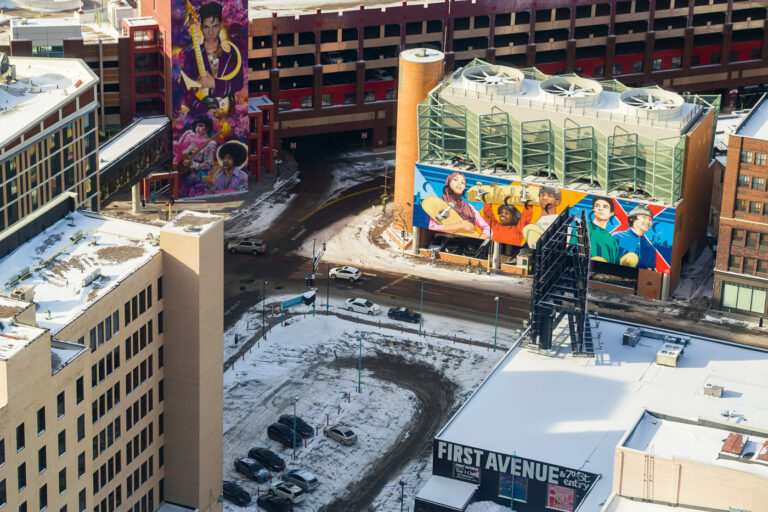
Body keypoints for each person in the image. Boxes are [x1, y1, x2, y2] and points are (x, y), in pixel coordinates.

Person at [181, 1, 243, 115]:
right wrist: (205, 111)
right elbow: (185, 90)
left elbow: (238, 83)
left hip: (228, 116)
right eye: (206, 27)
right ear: (201, 28)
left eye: (214, 27)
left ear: (220, 26)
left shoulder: (231, 53)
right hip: (200, 119)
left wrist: (214, 83)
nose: (210, 32)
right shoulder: (191, 55)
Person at [429, 172, 490, 239]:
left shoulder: (470, 208)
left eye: (463, 182)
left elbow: (486, 227)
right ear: (448, 183)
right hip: (443, 241)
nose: (459, 183)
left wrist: (482, 237)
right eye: (455, 180)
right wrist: (458, 227)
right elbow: (432, 227)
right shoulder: (440, 205)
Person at [612, 204, 656, 269]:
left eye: (650, 219)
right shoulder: (617, 237)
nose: (648, 221)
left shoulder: (650, 247)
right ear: (632, 218)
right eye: (644, 217)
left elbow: (649, 271)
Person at [588, 196, 620, 264]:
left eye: (605, 207)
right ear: (593, 209)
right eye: (597, 206)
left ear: (611, 213)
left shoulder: (613, 242)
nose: (600, 209)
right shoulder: (584, 228)